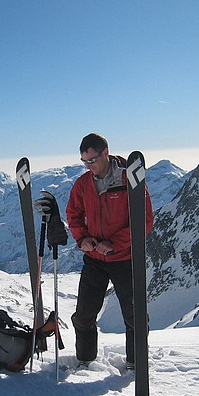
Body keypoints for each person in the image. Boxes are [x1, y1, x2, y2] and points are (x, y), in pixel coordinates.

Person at [66, 133, 153, 368]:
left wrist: (115, 243)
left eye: (92, 160)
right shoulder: (83, 184)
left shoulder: (130, 180)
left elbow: (144, 220)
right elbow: (73, 214)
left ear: (106, 153)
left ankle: (136, 364)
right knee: (84, 315)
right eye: (84, 161)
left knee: (134, 316)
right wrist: (82, 238)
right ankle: (85, 361)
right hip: (94, 258)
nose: (88, 166)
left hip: (124, 258)